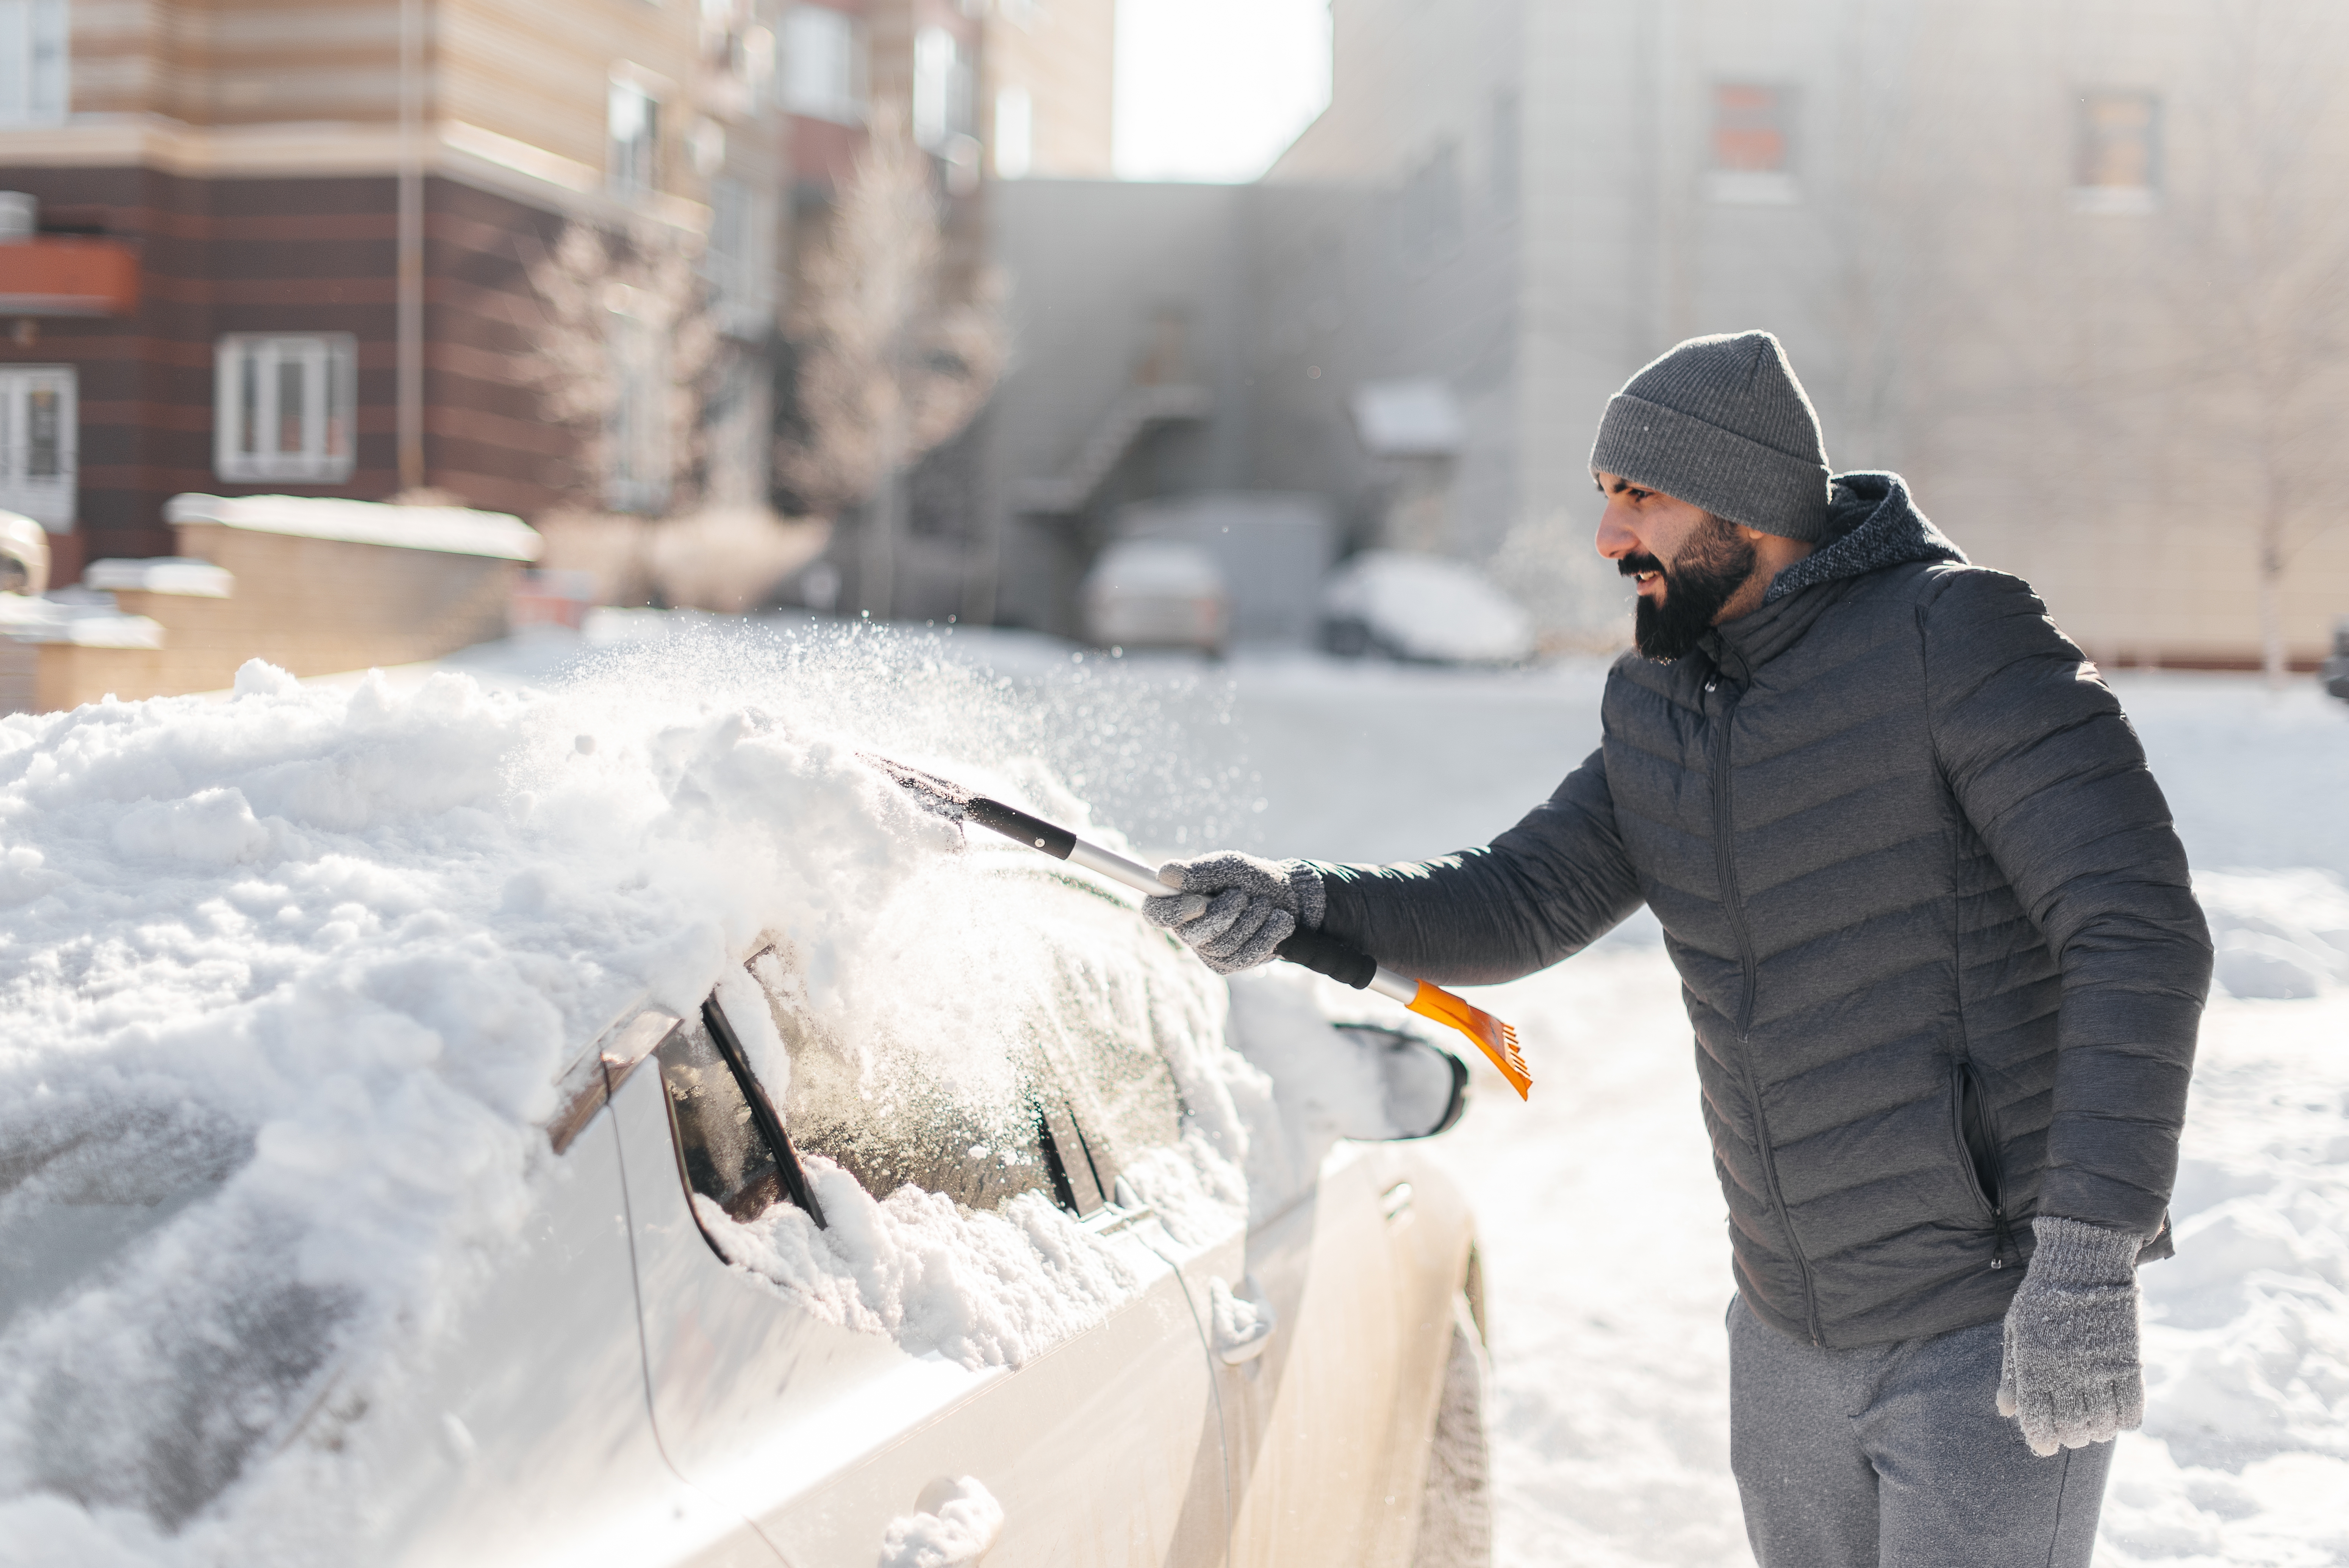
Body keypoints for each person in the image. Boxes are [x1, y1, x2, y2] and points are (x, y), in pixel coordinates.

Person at [1144, 330, 2210, 1568]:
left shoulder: (1954, 637)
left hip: (1986, 1324)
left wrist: (2086, 1254)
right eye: (1606, 498)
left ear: (1749, 503)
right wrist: (1306, 902)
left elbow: (2137, 928)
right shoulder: (1664, 701)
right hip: (1785, 1334)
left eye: (1639, 496)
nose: (1609, 539)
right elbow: (1525, 895)